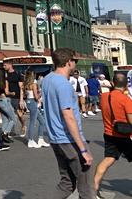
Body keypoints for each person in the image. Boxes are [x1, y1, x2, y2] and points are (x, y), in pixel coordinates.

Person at [40, 48, 94, 199]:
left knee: (67, 183)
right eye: (74, 61)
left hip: (56, 139)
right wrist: (83, 149)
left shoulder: (48, 79)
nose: (75, 64)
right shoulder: (63, 84)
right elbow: (68, 116)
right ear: (68, 62)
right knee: (86, 187)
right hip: (69, 139)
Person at [93, 71, 132, 196]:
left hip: (109, 133)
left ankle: (93, 189)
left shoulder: (104, 97)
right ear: (126, 85)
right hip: (125, 136)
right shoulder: (126, 100)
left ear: (113, 83)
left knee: (107, 160)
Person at [24, 69, 49, 149]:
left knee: (42, 121)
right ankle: (30, 140)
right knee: (32, 122)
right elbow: (36, 96)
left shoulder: (26, 84)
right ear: (33, 75)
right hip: (33, 102)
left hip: (28, 102)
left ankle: (40, 139)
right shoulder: (34, 84)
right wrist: (41, 93)